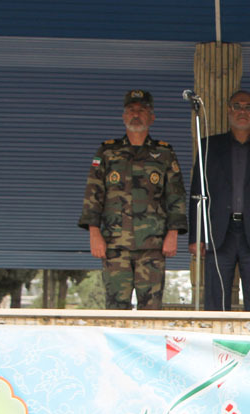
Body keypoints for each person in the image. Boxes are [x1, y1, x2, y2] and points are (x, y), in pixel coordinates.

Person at [79, 90, 187, 309]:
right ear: (123, 116)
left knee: (151, 309)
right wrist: (94, 233)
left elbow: (175, 196)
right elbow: (93, 193)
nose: (136, 115)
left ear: (152, 117)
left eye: (142, 110)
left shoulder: (164, 153)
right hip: (115, 243)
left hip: (153, 244)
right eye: (131, 110)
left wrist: (173, 233)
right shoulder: (108, 151)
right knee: (116, 309)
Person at [189, 90, 250, 311]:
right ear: (228, 110)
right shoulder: (209, 146)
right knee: (215, 299)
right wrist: (197, 236)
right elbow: (197, 193)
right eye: (237, 106)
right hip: (217, 232)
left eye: (248, 107)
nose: (242, 111)